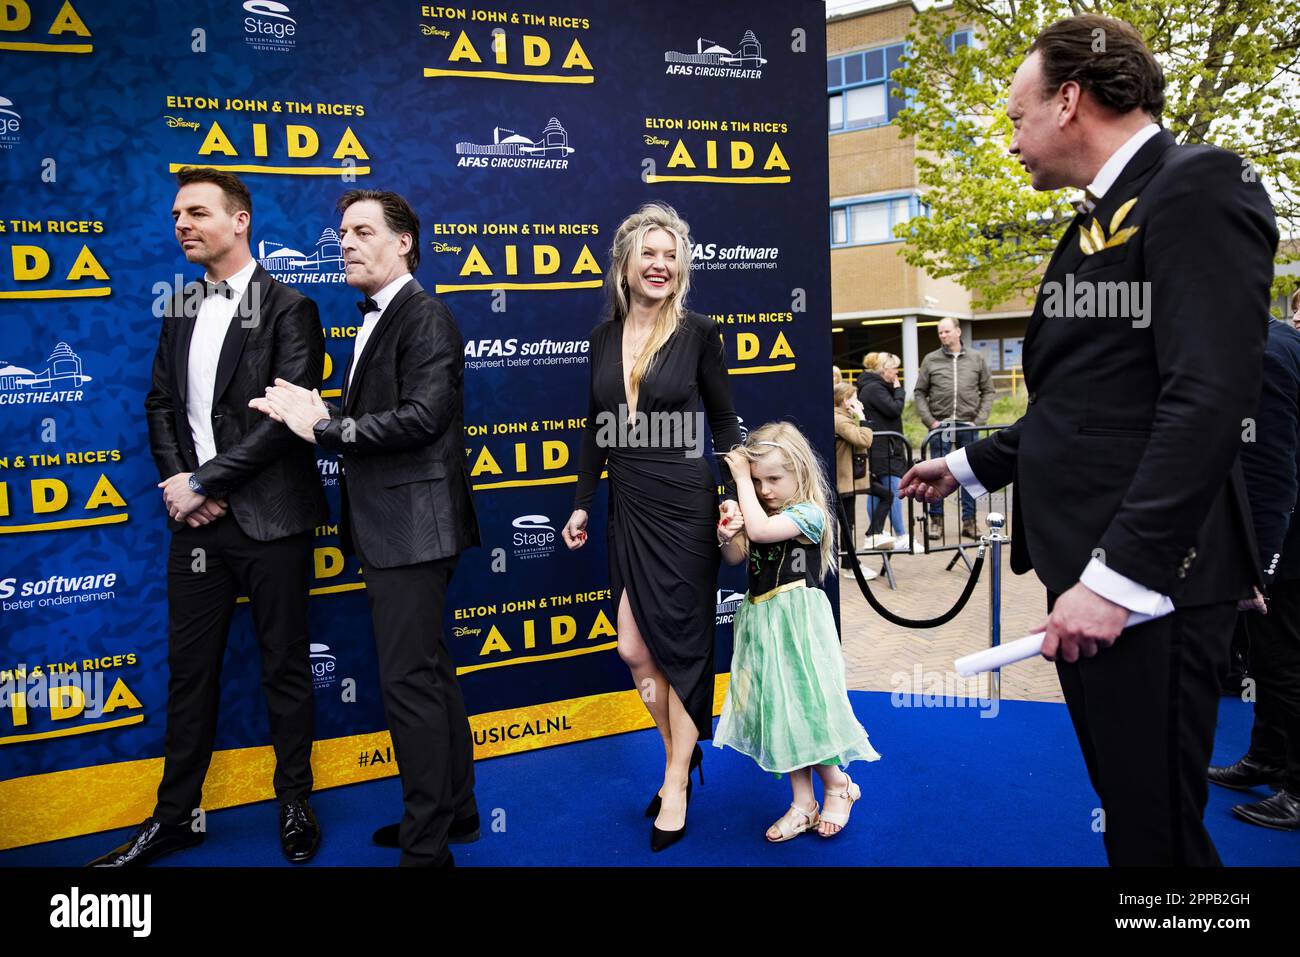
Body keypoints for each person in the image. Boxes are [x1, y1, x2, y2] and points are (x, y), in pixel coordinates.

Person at [899, 14, 1278, 866]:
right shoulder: (1095, 219)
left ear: (1069, 100)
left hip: (1150, 586)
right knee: (1136, 817)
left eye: (1014, 115)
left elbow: (1208, 397)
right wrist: (966, 464)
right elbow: (1088, 402)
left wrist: (1119, 578)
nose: (1010, 138)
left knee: (1160, 837)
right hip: (1101, 575)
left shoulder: (1200, 186)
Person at [91, 168, 327, 867]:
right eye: (176, 216)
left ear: (240, 220)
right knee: (190, 672)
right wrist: (176, 482)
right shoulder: (181, 305)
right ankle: (176, 816)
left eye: (197, 212)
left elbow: (285, 422)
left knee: (285, 666)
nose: (183, 225)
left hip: (272, 518)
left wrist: (203, 481)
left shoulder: (291, 307)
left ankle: (294, 800)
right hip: (196, 524)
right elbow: (161, 404)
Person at [251, 189, 481, 868]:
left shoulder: (425, 315)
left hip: (414, 531)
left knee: (411, 683)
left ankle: (426, 846)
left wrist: (322, 425)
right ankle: (456, 812)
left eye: (362, 231)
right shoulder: (381, 318)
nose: (346, 242)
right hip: (397, 528)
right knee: (431, 675)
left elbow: (422, 418)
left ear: (404, 241)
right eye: (341, 232)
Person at [561, 202, 741, 852]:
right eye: (650, 254)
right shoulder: (602, 338)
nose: (661, 264)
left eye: (671, 255)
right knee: (636, 650)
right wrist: (583, 501)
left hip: (685, 502)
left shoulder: (698, 332)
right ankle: (682, 757)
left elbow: (724, 423)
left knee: (684, 647)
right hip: (628, 504)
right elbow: (593, 426)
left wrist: (733, 495)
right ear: (626, 265)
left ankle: (673, 781)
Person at [715, 421, 881, 842]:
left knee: (806, 708)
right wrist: (726, 531)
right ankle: (802, 803)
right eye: (758, 480)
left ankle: (839, 785)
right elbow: (739, 555)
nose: (765, 489)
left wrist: (739, 485)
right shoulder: (763, 511)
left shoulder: (809, 513)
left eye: (774, 478)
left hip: (796, 623)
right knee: (780, 711)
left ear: (800, 473)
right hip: (760, 620)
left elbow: (763, 532)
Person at [1208, 314, 1300, 830]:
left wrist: (1257, 567)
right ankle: (1267, 757)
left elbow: (1271, 471)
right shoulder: (1272, 341)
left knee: (1283, 662)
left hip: (1283, 542)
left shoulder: (1262, 352)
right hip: (1278, 538)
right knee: (1269, 659)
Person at [913, 318, 994, 540]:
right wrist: (930, 421)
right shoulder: (931, 359)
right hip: (941, 427)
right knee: (935, 474)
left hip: (968, 425)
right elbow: (919, 392)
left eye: (947, 331)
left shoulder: (976, 358)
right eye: (940, 333)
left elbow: (988, 390)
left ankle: (969, 522)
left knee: (970, 474)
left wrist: (979, 420)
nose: (943, 336)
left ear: (958, 332)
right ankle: (936, 522)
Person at [833, 383, 890, 572]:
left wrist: (859, 417)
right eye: (854, 398)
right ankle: (849, 563)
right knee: (847, 523)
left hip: (854, 477)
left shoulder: (846, 418)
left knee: (886, 495)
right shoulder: (839, 420)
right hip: (845, 478)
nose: (858, 402)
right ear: (844, 400)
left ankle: (873, 533)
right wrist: (863, 418)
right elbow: (864, 440)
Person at [858, 352, 911, 550]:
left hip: (883, 447)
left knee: (880, 492)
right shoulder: (874, 389)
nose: (897, 373)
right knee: (893, 489)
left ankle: (878, 533)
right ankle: (901, 535)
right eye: (894, 368)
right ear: (884, 370)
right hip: (884, 450)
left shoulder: (873, 387)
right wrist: (899, 390)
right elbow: (894, 409)